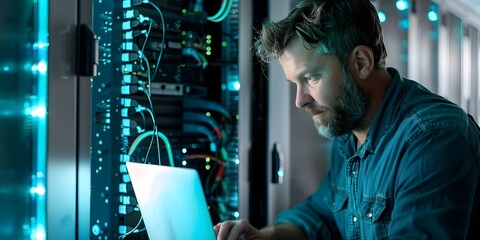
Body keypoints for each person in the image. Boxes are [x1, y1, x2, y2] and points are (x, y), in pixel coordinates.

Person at [214, 0, 480, 239]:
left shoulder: (432, 137)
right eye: (294, 83)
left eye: (311, 78)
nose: (300, 100)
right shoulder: (350, 132)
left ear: (361, 62)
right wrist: (264, 237)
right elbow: (319, 217)